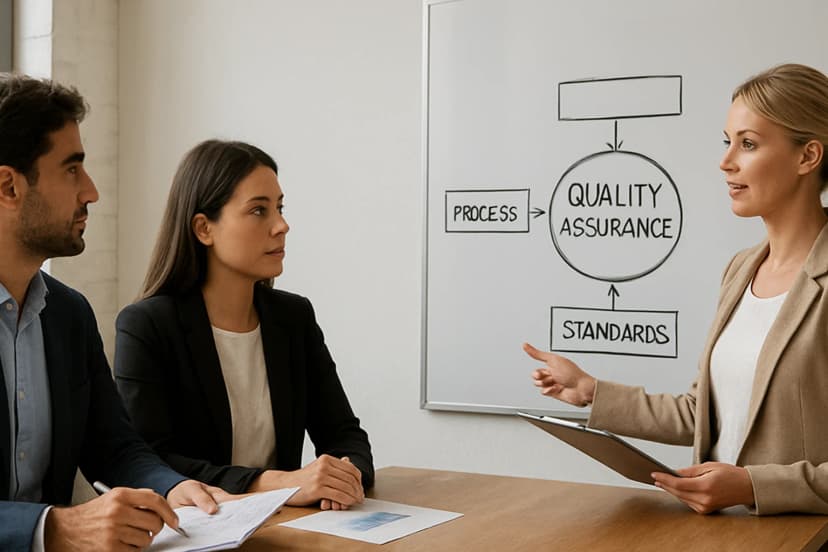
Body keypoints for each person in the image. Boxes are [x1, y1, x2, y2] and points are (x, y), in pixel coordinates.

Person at [526, 63, 828, 515]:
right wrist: (591, 390)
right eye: (727, 142)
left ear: (807, 156)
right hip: (723, 536)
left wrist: (752, 486)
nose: (726, 162)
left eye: (748, 144)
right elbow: (700, 412)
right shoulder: (741, 270)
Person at [0, 74, 229, 551]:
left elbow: (114, 447)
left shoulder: (68, 314)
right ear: (8, 185)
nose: (91, 192)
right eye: (71, 169)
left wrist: (171, 485)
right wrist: (51, 528)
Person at [114, 139, 374, 512]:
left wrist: (343, 478)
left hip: (283, 526)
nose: (281, 226)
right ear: (204, 229)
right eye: (258, 211)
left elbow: (344, 434)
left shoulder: (294, 318)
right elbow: (149, 461)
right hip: (195, 532)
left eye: (280, 208)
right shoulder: (147, 326)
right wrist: (276, 483)